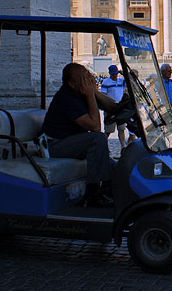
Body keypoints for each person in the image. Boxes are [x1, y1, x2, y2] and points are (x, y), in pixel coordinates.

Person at [40, 63, 117, 207]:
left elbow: (113, 107)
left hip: (72, 142)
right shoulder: (67, 98)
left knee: (117, 168)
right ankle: (95, 193)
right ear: (72, 83)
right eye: (84, 78)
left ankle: (114, 193)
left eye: (88, 76)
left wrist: (95, 92)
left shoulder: (82, 91)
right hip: (55, 144)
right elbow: (95, 127)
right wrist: (90, 95)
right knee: (98, 139)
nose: (88, 80)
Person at [100, 64, 129, 149]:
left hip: (120, 106)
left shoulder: (121, 81)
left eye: (116, 74)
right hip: (110, 107)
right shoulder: (106, 82)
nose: (115, 76)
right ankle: (103, 145)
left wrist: (124, 73)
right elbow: (103, 94)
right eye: (113, 74)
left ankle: (123, 146)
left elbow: (129, 80)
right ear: (110, 74)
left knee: (121, 128)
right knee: (109, 129)